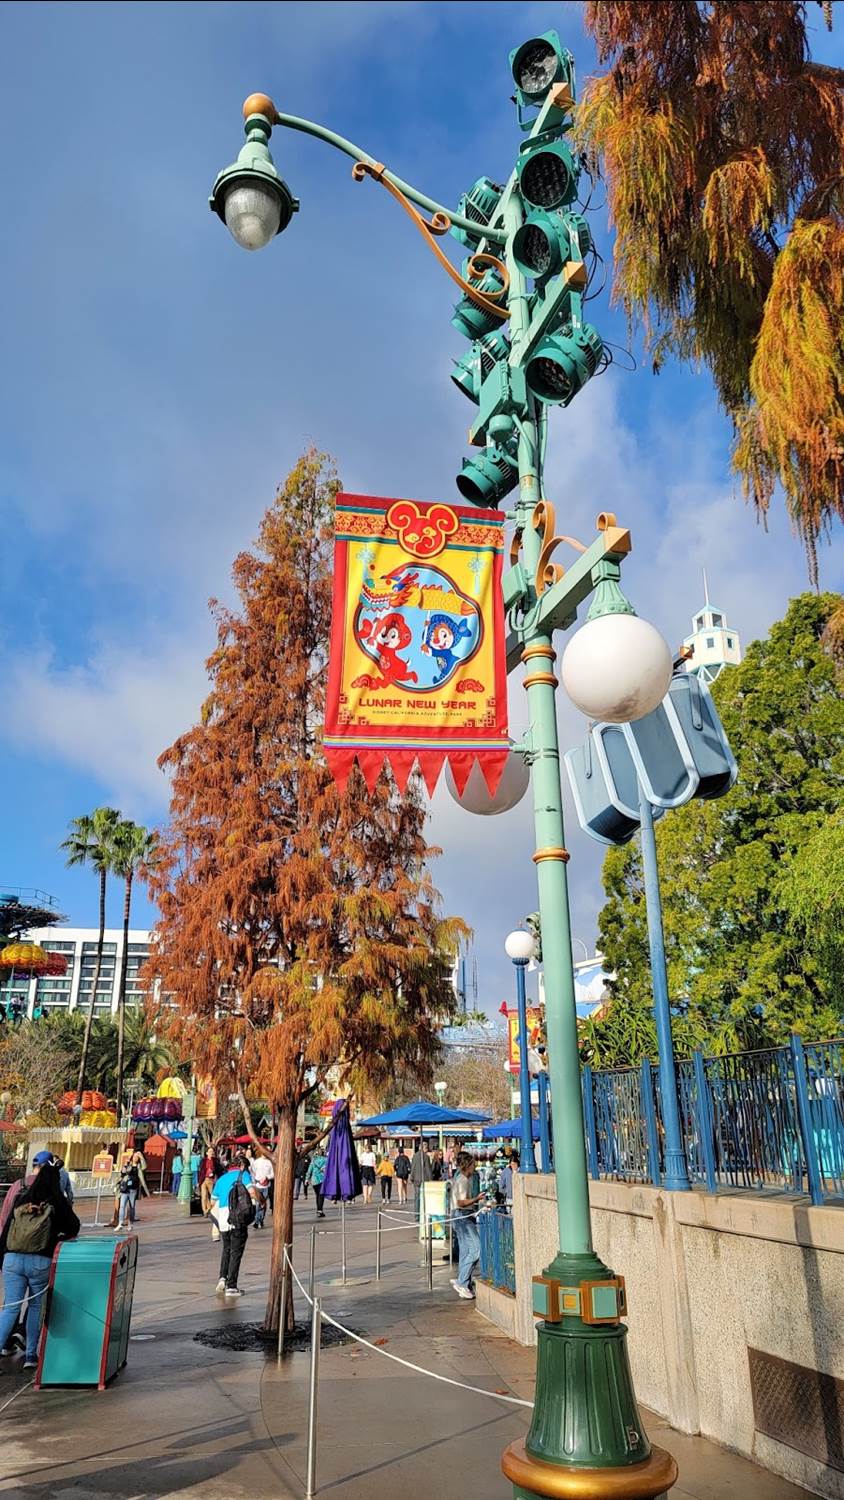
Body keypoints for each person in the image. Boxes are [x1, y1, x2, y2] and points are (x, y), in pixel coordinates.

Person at [0, 1162, 80, 1368]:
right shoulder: (57, 1202)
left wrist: (3, 1257)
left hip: (12, 1260)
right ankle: (31, 1356)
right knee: (36, 1307)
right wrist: (56, 1238)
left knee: (10, 1308)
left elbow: (7, 1230)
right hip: (40, 1261)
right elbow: (74, 1227)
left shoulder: (22, 1199)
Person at [210, 1151, 258, 1299]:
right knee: (236, 1252)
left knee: (227, 1249)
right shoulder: (243, 1175)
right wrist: (260, 1201)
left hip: (223, 1219)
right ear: (242, 1166)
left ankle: (222, 1278)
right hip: (238, 1218)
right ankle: (232, 1286)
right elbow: (252, 1193)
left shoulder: (221, 1179)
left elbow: (212, 1202)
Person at [450, 1150, 483, 1300]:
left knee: (465, 1250)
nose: (475, 1168)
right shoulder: (463, 1180)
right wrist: (477, 1199)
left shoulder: (461, 1179)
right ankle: (462, 1282)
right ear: (467, 1166)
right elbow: (461, 1202)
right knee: (476, 1249)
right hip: (462, 1215)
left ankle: (463, 1281)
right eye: (473, 1165)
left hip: (459, 1216)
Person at [198, 1147, 221, 1240]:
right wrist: (199, 1181)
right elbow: (201, 1170)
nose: (211, 1153)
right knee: (204, 1196)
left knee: (213, 1196)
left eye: (212, 1151)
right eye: (210, 1151)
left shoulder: (215, 1161)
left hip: (211, 1180)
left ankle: (210, 1209)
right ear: (207, 1153)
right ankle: (205, 1211)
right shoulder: (203, 1161)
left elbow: (219, 1170)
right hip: (204, 1179)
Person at [250, 1149, 274, 1228]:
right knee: (258, 1204)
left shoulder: (269, 1162)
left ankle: (261, 1219)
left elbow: (273, 1174)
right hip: (257, 1185)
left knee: (263, 1204)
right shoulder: (256, 1162)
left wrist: (267, 1177)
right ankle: (257, 1221)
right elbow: (252, 1171)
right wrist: (256, 1179)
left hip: (266, 1186)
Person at [115, 1156, 140, 1231]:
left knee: (132, 1206)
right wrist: (125, 1164)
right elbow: (122, 1173)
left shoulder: (138, 1167)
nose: (135, 1158)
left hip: (133, 1189)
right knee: (122, 1206)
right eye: (134, 1157)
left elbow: (136, 1174)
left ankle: (130, 1224)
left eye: (136, 1157)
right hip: (125, 1189)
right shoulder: (128, 1166)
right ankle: (120, 1223)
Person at [410, 1140, 433, 1220]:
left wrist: (412, 1177)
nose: (427, 1150)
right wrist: (431, 1179)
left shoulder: (414, 1156)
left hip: (416, 1179)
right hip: (424, 1180)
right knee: (424, 1198)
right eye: (426, 1148)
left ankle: (417, 1215)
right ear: (424, 1148)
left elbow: (412, 1167)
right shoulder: (426, 1157)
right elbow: (428, 1169)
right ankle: (423, 1214)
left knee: (417, 1198)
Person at [306, 1149, 327, 1217]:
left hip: (314, 1181)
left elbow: (309, 1170)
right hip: (322, 1179)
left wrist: (306, 1179)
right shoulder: (325, 1160)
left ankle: (318, 1209)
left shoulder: (313, 1160)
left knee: (317, 1195)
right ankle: (320, 1210)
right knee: (321, 1195)